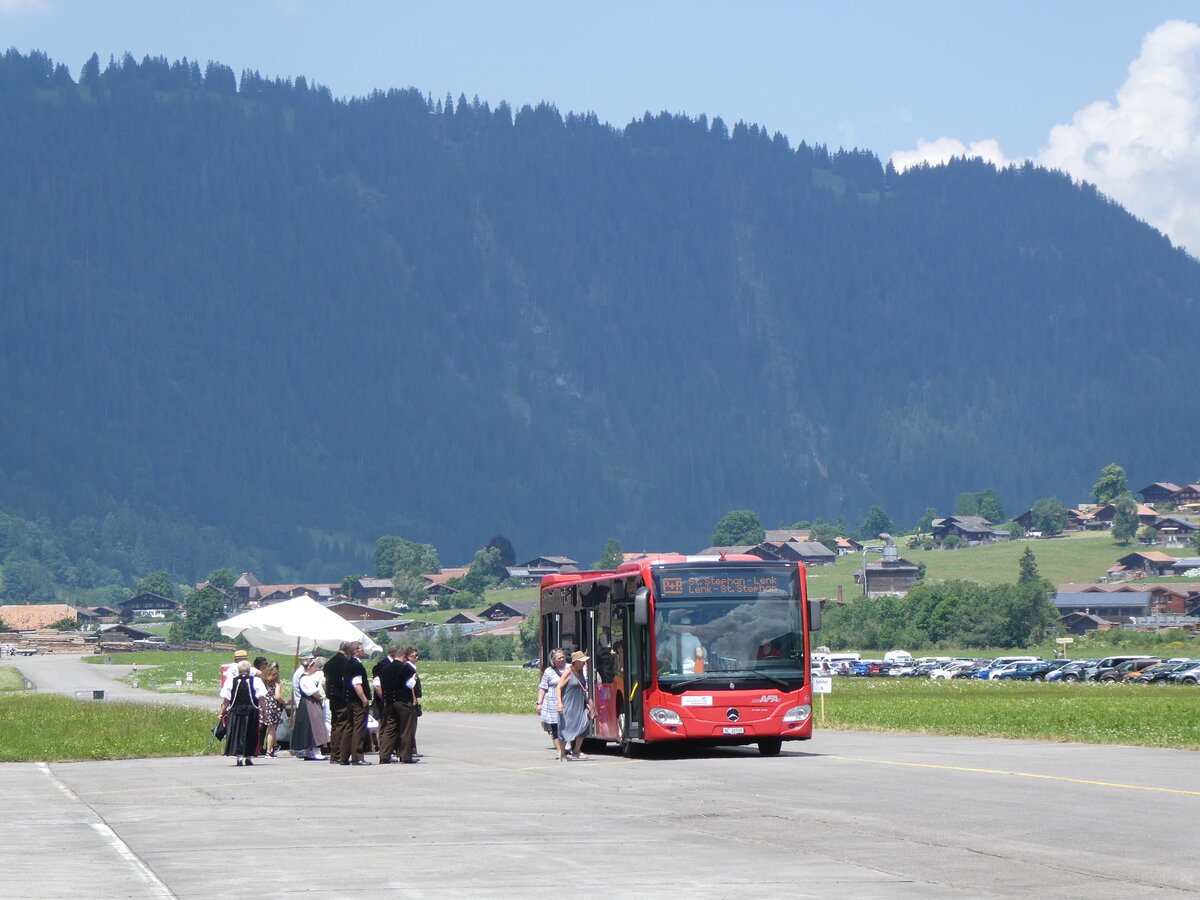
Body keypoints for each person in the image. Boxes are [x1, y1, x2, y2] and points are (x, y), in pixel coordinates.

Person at [218, 659, 267, 767]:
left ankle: (239, 758)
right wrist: (265, 711)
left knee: (237, 734)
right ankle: (248, 757)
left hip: (236, 711)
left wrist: (221, 712)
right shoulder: (256, 681)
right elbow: (262, 698)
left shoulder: (231, 681)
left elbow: (226, 700)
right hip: (251, 711)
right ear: (249, 670)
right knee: (251, 734)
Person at [378, 645, 419, 764]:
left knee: (390, 729)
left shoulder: (385, 669)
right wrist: (414, 679)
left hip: (390, 702)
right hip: (403, 702)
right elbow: (409, 685)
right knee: (406, 729)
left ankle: (384, 755)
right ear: (403, 657)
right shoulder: (405, 669)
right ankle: (406, 756)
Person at [336, 641, 372, 766]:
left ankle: (344, 756)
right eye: (361, 649)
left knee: (349, 727)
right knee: (359, 728)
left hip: (349, 700)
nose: (363, 651)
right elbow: (356, 684)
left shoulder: (348, 663)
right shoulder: (356, 665)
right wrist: (364, 698)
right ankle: (357, 757)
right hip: (357, 701)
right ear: (355, 651)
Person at [555, 650, 594, 760]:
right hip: (568, 703)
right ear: (575, 662)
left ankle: (576, 750)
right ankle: (562, 753)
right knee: (566, 727)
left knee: (583, 725)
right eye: (581, 661)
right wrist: (559, 703)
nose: (583, 663)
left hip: (579, 703)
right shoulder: (568, 671)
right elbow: (558, 688)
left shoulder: (581, 671)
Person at [290, 657, 328, 760]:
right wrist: (321, 697)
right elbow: (313, 691)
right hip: (310, 703)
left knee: (309, 727)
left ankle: (309, 752)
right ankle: (315, 751)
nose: (316, 669)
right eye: (315, 667)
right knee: (314, 726)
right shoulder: (305, 678)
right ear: (310, 667)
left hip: (308, 703)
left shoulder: (307, 678)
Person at [537, 649, 568, 760]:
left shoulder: (569, 668)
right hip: (552, 702)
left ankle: (564, 749)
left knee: (566, 726)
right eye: (559, 658)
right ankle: (559, 751)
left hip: (567, 701)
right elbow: (543, 688)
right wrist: (539, 703)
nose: (561, 659)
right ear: (553, 660)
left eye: (563, 657)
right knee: (555, 727)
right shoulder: (548, 671)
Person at [324, 642, 350, 764]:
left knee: (335, 724)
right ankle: (338, 753)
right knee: (341, 724)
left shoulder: (329, 663)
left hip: (332, 695)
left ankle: (334, 753)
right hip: (341, 696)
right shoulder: (345, 663)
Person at [260, 662, 286, 757]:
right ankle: (269, 750)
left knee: (268, 728)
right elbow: (278, 696)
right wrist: (283, 702)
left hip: (263, 705)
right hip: (273, 706)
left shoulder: (263, 681)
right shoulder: (277, 683)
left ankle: (274, 746)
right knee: (272, 729)